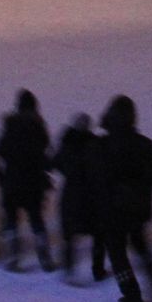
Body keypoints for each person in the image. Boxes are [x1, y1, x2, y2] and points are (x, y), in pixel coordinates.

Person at [98, 94, 152, 302]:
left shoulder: (102, 145)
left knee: (117, 252)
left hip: (113, 208)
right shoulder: (144, 145)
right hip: (139, 207)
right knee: (140, 243)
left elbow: (92, 178)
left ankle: (132, 295)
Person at [0, 89, 56, 272]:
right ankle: (44, 257)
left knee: (11, 219)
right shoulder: (39, 126)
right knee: (36, 219)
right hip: (33, 181)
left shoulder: (10, 125)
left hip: (12, 180)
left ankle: (13, 256)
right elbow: (46, 151)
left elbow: (1, 149)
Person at [52, 113, 106, 280]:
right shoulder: (95, 145)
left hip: (71, 193)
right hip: (91, 194)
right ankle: (98, 269)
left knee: (69, 232)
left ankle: (68, 268)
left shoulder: (66, 144)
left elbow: (55, 163)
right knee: (98, 232)